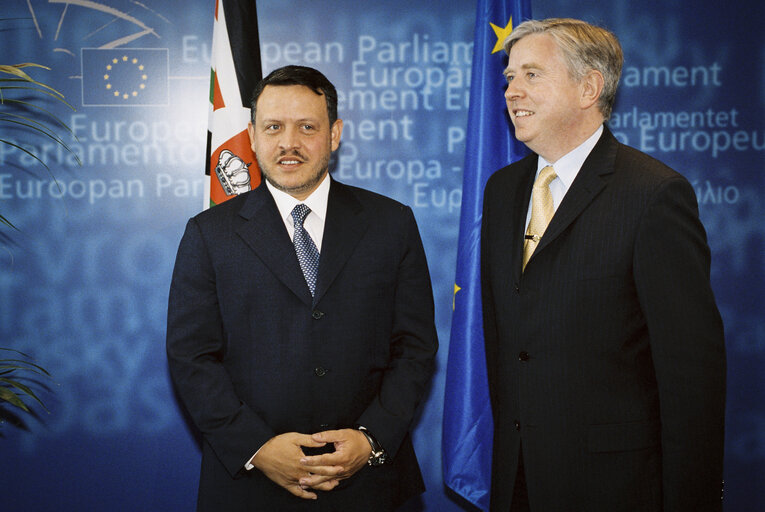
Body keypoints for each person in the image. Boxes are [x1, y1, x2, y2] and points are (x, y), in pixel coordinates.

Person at [480, 18, 726, 511]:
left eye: (531, 75)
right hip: (519, 481)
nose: (511, 91)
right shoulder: (503, 190)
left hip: (617, 486)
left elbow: (691, 375)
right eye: (509, 77)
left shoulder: (653, 194)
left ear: (588, 87)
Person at [167, 65, 438, 511]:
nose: (288, 143)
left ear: (335, 134)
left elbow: (415, 347)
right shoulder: (208, 234)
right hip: (250, 487)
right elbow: (190, 356)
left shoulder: (391, 223)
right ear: (252, 136)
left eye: (307, 127)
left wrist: (370, 439)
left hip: (370, 486)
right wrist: (257, 448)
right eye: (273, 127)